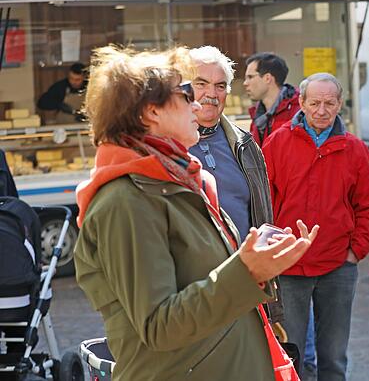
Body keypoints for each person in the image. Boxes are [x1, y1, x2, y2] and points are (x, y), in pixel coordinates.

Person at [73, 45, 318, 381]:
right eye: (187, 93)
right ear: (151, 112)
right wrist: (248, 270)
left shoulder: (179, 180)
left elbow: (206, 284)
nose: (198, 103)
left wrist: (256, 258)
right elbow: (159, 326)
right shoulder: (125, 201)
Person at [262, 72, 369, 380]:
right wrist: (273, 253)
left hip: (338, 266)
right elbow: (263, 201)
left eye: (329, 103)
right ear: (301, 103)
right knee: (291, 355)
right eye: (314, 103)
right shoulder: (277, 143)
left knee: (334, 358)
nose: (322, 110)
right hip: (289, 267)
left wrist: (355, 252)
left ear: (340, 104)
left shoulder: (355, 149)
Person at [186, 45, 285, 328]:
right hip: (193, 292)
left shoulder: (245, 144)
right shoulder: (166, 146)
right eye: (201, 84)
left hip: (246, 283)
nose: (211, 94)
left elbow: (261, 216)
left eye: (220, 86)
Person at [243, 52, 299, 145]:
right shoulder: (258, 114)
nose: (245, 83)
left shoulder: (298, 113)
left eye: (250, 77)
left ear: (267, 78)